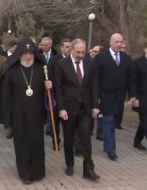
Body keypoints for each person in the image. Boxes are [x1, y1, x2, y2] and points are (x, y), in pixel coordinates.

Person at [1, 37, 52, 185]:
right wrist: (7, 118)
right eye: (25, 53)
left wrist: (49, 86)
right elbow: (6, 96)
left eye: (30, 53)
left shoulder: (41, 69)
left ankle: (38, 171)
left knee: (36, 143)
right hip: (19, 115)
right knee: (22, 144)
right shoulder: (12, 71)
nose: (28, 56)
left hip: (37, 114)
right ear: (19, 54)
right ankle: (25, 173)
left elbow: (48, 93)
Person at [55, 38, 100, 181]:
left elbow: (94, 85)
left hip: (85, 108)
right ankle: (70, 164)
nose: (80, 55)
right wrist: (61, 108)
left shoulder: (90, 63)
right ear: (71, 50)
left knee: (86, 139)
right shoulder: (62, 64)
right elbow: (58, 88)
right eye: (77, 52)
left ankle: (89, 170)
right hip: (68, 109)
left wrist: (95, 106)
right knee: (68, 139)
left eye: (83, 52)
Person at [94, 33, 132, 161]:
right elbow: (96, 79)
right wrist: (96, 97)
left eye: (121, 42)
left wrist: (132, 95)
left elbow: (130, 78)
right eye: (116, 42)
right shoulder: (101, 58)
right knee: (108, 121)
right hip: (105, 96)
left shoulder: (126, 58)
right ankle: (111, 150)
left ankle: (107, 145)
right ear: (110, 42)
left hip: (120, 97)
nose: (119, 44)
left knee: (115, 122)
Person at [46, 38, 72, 150]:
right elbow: (49, 76)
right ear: (61, 48)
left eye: (70, 47)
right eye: (66, 47)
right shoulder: (54, 60)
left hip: (69, 97)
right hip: (56, 96)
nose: (69, 49)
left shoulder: (73, 60)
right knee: (55, 122)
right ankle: (56, 140)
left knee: (69, 123)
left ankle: (70, 142)